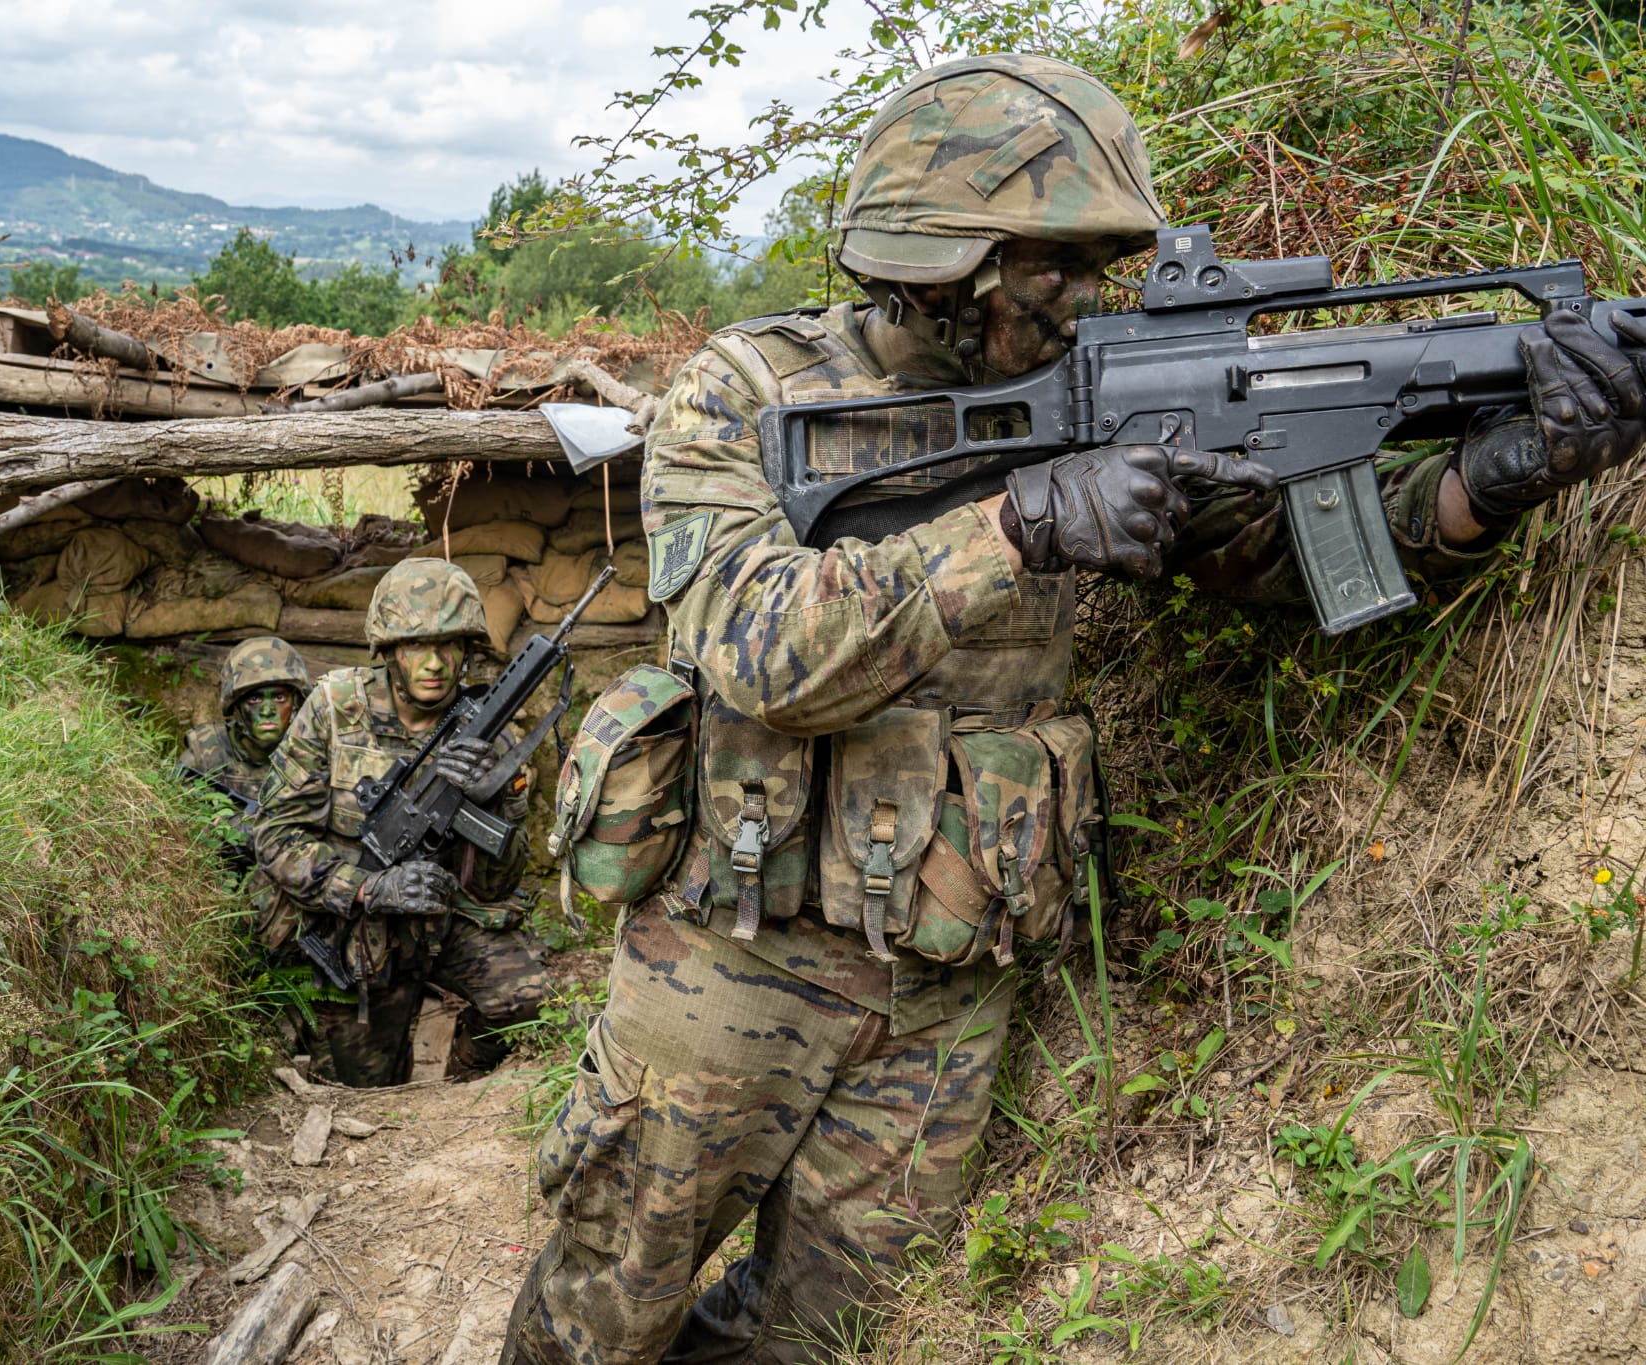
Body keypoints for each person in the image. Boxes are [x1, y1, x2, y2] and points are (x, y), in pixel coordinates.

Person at [501, 52, 1646, 1365]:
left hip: (943, 983)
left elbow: (1297, 563)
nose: (1081, 297)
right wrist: (1024, 521)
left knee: (828, 1339)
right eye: (1048, 264)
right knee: (599, 1318)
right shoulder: (747, 393)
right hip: (727, 956)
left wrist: (1499, 475)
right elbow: (763, 650)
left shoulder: (1108, 391)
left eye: (1093, 261)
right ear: (941, 264)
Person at [251, 558, 551, 1087]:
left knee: (528, 1000)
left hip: (443, 919)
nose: (434, 663)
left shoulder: (489, 734)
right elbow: (275, 836)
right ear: (388, 651)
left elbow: (497, 883)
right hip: (355, 926)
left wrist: (492, 795)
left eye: (449, 645)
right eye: (416, 646)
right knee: (366, 1086)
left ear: (467, 651)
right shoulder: (335, 709)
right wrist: (369, 888)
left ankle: (461, 1081)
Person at [178, 635, 311, 948]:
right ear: (235, 706)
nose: (267, 710)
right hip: (216, 901)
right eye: (254, 699)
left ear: (295, 703)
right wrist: (231, 832)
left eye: (278, 698)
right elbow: (173, 832)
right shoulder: (205, 754)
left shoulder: (311, 756)